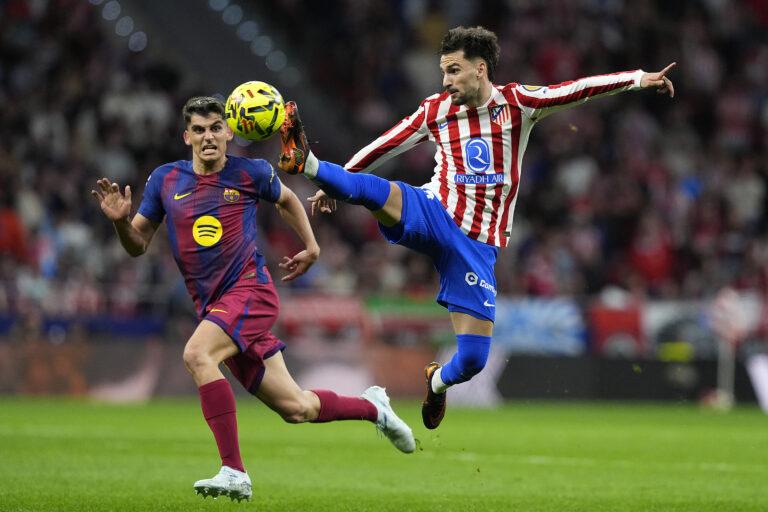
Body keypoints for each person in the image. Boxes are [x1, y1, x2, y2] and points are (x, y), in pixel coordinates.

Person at [277, 26, 676, 430]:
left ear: (480, 70)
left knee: (472, 361)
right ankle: (306, 160)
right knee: (376, 193)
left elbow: (576, 89)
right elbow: (385, 144)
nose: (446, 80)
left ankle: (437, 381)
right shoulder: (435, 110)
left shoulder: (518, 103)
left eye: (453, 70)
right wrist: (335, 179)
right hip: (434, 210)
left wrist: (639, 78)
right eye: (443, 71)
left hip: (476, 244)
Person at [91, 96, 415, 503]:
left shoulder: (251, 172)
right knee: (296, 408)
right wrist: (122, 223)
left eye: (215, 127)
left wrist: (312, 247)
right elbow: (137, 245)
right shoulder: (165, 180)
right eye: (199, 129)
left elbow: (287, 200)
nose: (208, 136)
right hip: (214, 308)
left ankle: (234, 471)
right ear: (186, 136)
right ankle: (375, 408)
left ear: (229, 131)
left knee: (197, 355)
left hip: (250, 292)